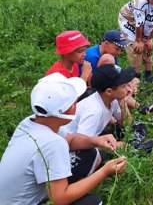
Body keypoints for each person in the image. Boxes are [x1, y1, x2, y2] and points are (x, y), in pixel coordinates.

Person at [0, 73, 126, 204]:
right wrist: (104, 172)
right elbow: (60, 199)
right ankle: (73, 186)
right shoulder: (53, 144)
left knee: (90, 153)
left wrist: (94, 140)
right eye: (75, 101)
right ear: (69, 109)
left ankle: (73, 184)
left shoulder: (32, 122)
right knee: (93, 202)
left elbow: (71, 140)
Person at [60, 64, 153, 152]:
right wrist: (113, 145)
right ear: (109, 91)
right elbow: (81, 142)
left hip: (93, 135)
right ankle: (135, 148)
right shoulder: (94, 111)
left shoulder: (112, 99)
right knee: (96, 154)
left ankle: (130, 147)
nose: (128, 89)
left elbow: (127, 125)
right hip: (73, 147)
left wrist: (122, 102)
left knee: (139, 125)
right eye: (123, 86)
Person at [81, 30, 153, 117]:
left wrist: (128, 85)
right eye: (117, 49)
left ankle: (136, 105)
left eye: (120, 50)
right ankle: (142, 109)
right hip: (90, 90)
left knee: (135, 80)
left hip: (105, 86)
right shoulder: (92, 56)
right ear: (106, 43)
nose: (119, 52)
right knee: (117, 88)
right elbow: (93, 84)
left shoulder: (111, 54)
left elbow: (117, 74)